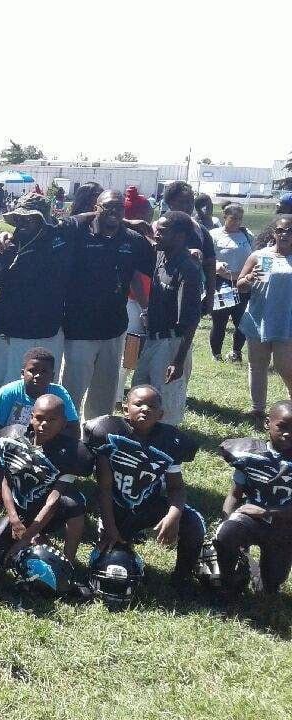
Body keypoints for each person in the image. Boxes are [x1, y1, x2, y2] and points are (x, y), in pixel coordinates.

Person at [84, 385, 204, 586]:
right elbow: (104, 487)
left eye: (152, 406)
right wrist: (110, 526)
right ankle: (118, 540)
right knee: (115, 560)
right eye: (138, 404)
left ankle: (182, 577)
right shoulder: (109, 433)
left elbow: (176, 487)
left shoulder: (170, 441)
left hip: (149, 504)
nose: (145, 409)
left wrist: (173, 516)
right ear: (125, 409)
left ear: (161, 414)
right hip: (116, 508)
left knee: (193, 523)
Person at [59, 191, 155, 421]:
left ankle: (96, 434)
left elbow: (153, 265)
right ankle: (67, 433)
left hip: (114, 329)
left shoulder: (132, 240)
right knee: (72, 390)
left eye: (119, 207)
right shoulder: (78, 233)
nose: (114, 211)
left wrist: (146, 307)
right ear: (96, 207)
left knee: (104, 393)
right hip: (79, 329)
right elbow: (54, 226)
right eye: (108, 206)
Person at [0, 193, 71, 398]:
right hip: (11, 334)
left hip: (49, 333)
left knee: (44, 396)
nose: (23, 222)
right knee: (2, 393)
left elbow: (90, 218)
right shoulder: (6, 248)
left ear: (43, 219)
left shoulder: (62, 240)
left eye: (30, 218)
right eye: (19, 218)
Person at [0, 394, 92, 566]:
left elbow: (53, 501)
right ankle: (37, 538)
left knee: (74, 503)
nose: (44, 424)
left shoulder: (72, 452)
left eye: (52, 420)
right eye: (40, 418)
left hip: (50, 511)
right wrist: (14, 520)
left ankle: (68, 562)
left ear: (64, 422)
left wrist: (26, 538)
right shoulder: (10, 436)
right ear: (31, 417)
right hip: (20, 507)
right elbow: (2, 476)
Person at [131, 212, 203, 426]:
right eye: (157, 230)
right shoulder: (163, 256)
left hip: (172, 344)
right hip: (152, 339)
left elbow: (191, 320)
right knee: (140, 390)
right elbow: (142, 233)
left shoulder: (187, 269)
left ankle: (167, 441)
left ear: (180, 237)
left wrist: (178, 360)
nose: (157, 235)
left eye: (162, 232)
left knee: (165, 402)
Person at [215, 400, 292, 596]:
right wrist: (226, 522)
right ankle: (230, 580)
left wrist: (267, 511)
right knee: (227, 534)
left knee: (270, 586)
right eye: (282, 426)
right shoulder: (251, 455)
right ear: (267, 423)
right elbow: (235, 493)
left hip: (285, 526)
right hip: (251, 520)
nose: (288, 433)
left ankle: (258, 573)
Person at [235, 215, 292, 429]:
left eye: (290, 231)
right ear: (274, 233)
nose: (284, 234)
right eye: (280, 230)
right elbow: (240, 285)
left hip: (286, 319)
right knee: (257, 365)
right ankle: (257, 409)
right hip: (259, 317)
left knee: (285, 366)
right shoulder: (261, 256)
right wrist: (250, 278)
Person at [0, 347, 80, 435]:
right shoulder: (7, 393)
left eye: (44, 372)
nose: (38, 376)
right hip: (10, 441)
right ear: (22, 374)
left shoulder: (59, 394)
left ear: (52, 376)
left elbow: (73, 429)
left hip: (48, 442)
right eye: (32, 371)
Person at [162, 181, 216, 313]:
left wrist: (210, 297)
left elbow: (210, 265)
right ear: (170, 203)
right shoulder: (157, 228)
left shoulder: (200, 230)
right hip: (161, 291)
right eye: (182, 202)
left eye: (191, 202)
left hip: (190, 294)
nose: (187, 206)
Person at [209, 203, 254, 362]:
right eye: (233, 218)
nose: (237, 222)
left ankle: (236, 352)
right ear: (224, 217)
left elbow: (256, 254)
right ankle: (216, 354)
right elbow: (206, 258)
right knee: (220, 321)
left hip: (242, 283)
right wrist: (216, 265)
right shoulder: (214, 235)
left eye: (240, 218)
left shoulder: (246, 234)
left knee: (241, 321)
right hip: (222, 283)